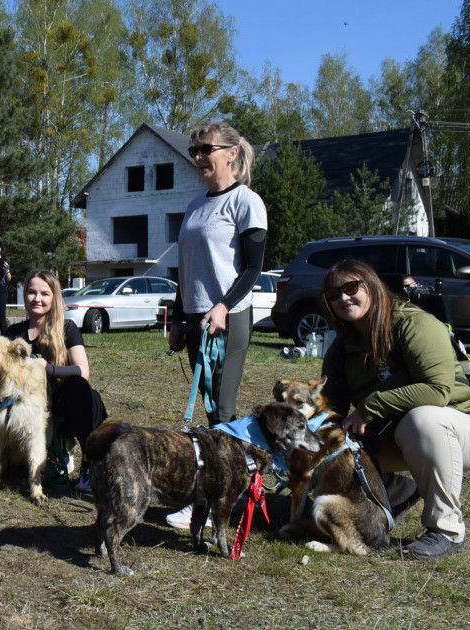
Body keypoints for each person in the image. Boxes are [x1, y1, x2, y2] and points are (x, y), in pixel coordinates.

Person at [319, 259, 470, 560]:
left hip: (461, 429)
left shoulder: (414, 324)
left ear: (372, 286)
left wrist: (370, 407)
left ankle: (447, 531)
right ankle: (396, 491)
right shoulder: (342, 347)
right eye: (334, 295)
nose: (343, 298)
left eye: (351, 288)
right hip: (393, 435)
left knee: (422, 419)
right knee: (332, 448)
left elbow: (437, 390)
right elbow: (330, 405)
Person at [166, 121, 267, 528]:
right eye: (194, 150)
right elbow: (185, 268)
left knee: (222, 410)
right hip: (196, 318)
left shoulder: (246, 202)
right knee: (211, 411)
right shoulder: (195, 206)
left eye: (206, 149)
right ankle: (222, 492)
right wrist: (178, 317)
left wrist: (223, 306)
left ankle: (218, 502)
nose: (198, 157)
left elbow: (253, 268)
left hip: (229, 317)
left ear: (231, 153)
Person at [0, 270, 107, 490]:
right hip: (24, 406)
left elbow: (82, 370)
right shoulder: (14, 332)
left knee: (79, 386)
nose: (37, 298)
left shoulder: (67, 328)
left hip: (61, 403)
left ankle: (88, 464)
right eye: (32, 292)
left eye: (44, 293)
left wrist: (48, 368)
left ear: (54, 297)